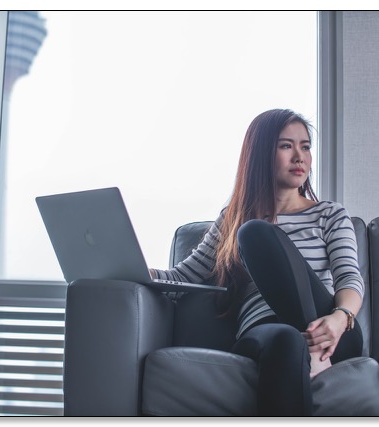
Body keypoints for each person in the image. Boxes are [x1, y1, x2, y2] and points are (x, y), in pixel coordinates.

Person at [149, 108, 364, 416]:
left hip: (332, 332)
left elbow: (349, 279)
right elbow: (182, 279)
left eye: (305, 146)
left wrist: (340, 318)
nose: (300, 157)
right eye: (286, 146)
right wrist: (132, 269)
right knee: (286, 335)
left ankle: (315, 349)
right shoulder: (232, 219)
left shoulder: (330, 214)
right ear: (261, 152)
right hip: (265, 331)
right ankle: (309, 355)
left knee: (256, 233)